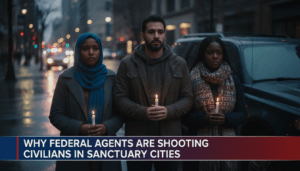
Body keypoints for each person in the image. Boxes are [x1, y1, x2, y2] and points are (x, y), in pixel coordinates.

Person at [114, 15, 193, 171]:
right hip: (138, 139)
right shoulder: (127, 63)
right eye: (151, 32)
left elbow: (188, 98)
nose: (156, 36)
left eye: (160, 32)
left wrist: (168, 111)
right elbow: (119, 98)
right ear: (143, 35)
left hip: (170, 139)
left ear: (164, 34)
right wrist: (144, 112)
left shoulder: (179, 63)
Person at [49, 33, 124, 171]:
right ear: (78, 51)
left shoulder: (111, 78)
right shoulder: (66, 79)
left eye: (95, 48)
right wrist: (80, 127)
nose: (91, 52)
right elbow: (55, 115)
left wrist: (106, 127)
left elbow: (120, 114)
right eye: (85, 48)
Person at [181, 37, 247, 171]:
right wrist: (203, 118)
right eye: (210, 52)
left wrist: (226, 119)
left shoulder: (233, 80)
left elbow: (242, 113)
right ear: (202, 54)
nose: (215, 56)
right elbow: (183, 116)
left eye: (219, 52)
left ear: (223, 54)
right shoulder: (190, 79)